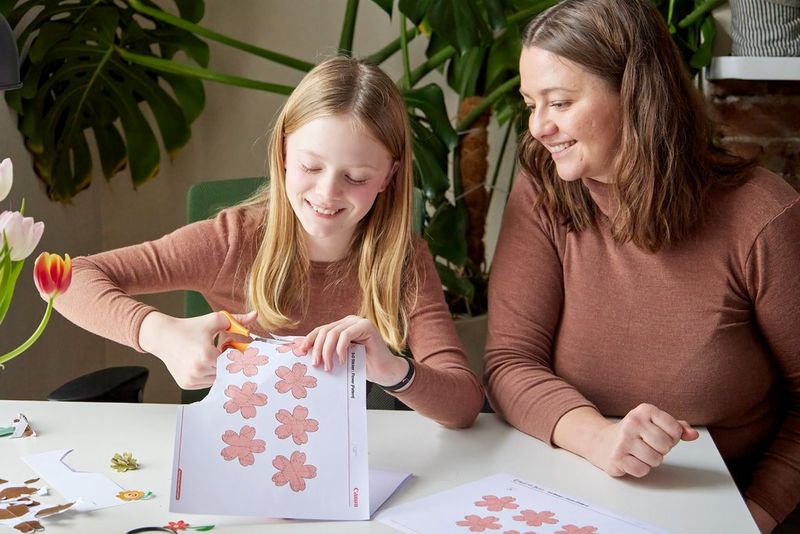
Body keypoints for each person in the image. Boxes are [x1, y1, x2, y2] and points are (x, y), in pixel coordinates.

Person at [484, 0, 800, 532]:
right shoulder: (544, 191)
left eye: (559, 102)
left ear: (635, 95)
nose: (538, 127)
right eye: (529, 104)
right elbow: (510, 361)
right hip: (573, 490)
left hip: (728, 503)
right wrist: (599, 439)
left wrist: (751, 518)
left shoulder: (762, 217)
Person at [55, 56, 483, 429]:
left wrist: (392, 370)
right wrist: (159, 334)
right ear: (282, 153)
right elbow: (64, 277)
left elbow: (463, 404)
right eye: (310, 166)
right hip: (238, 457)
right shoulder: (232, 240)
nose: (327, 193)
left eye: (356, 178)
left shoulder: (404, 260)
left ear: (389, 177)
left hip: (357, 468)